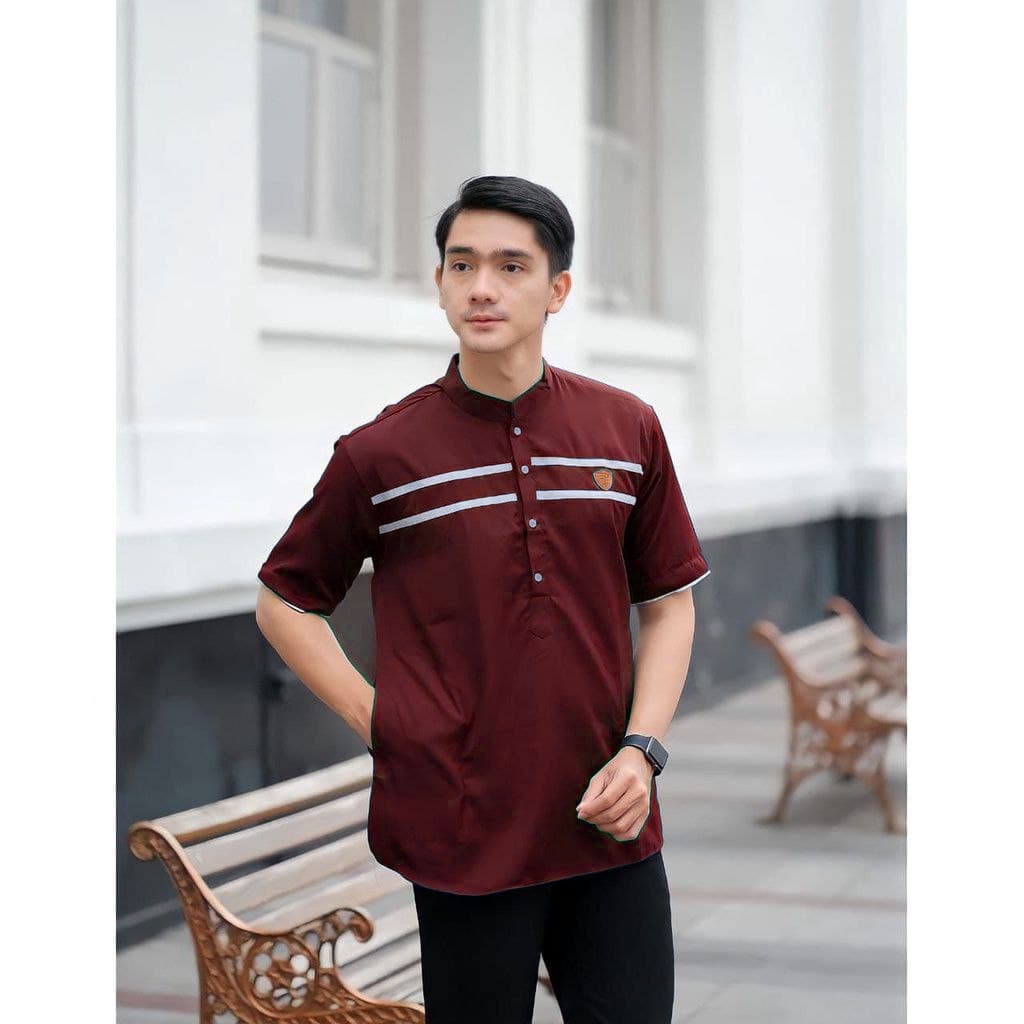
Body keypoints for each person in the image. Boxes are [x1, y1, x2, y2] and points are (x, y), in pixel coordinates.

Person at [255, 175, 710, 1023]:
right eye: (461, 266)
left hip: (608, 818)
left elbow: (669, 601)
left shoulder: (626, 428)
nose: (482, 288)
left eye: (510, 266)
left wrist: (642, 750)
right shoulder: (380, 454)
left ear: (557, 289)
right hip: (460, 826)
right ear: (439, 284)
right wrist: (377, 718)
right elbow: (284, 599)